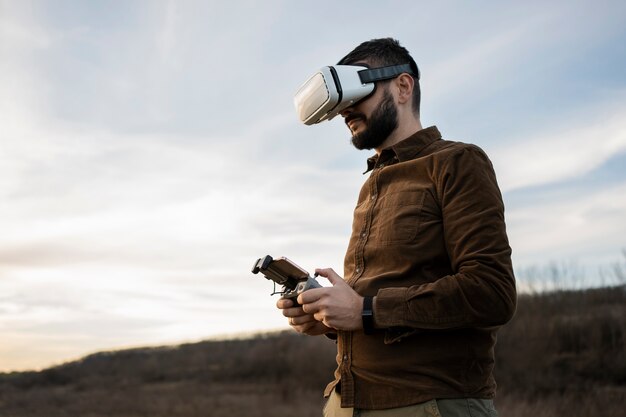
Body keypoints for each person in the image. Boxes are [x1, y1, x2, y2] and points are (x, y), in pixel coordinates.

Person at [277, 38, 516, 417]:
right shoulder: (370, 185)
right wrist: (328, 319)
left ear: (403, 87)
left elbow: (491, 291)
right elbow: (378, 310)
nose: (346, 111)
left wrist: (366, 310)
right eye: (341, 103)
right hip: (346, 402)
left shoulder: (456, 162)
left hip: (427, 403)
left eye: (357, 90)